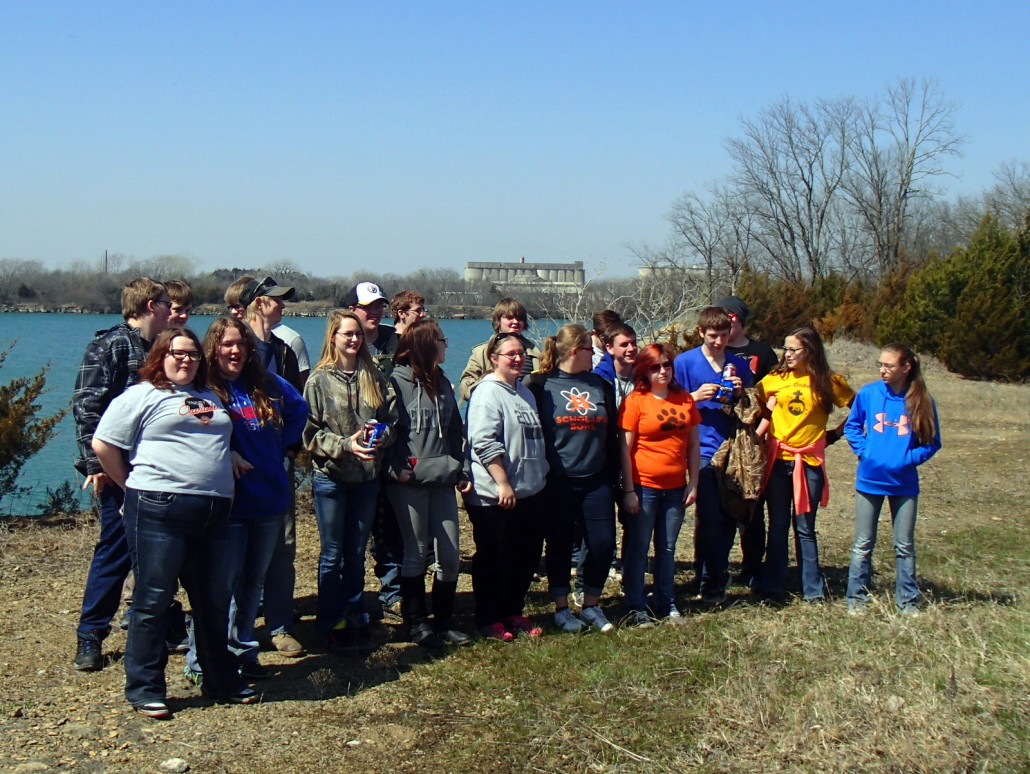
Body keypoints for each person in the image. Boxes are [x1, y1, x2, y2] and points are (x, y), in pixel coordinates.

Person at [91, 328, 256, 718]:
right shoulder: (143, 394)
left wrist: (228, 458)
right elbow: (104, 444)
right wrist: (130, 485)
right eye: (177, 353)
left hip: (213, 513)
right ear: (161, 356)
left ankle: (221, 679)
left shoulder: (210, 396)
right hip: (157, 509)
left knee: (213, 600)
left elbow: (215, 437)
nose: (185, 360)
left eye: (193, 355)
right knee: (154, 598)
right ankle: (145, 687)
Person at [182, 318, 307, 686]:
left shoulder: (266, 385)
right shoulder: (202, 389)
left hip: (269, 499)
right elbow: (190, 434)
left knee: (253, 583)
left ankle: (242, 650)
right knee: (220, 586)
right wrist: (227, 453)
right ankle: (201, 656)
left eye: (241, 344)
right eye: (226, 345)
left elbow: (299, 410)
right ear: (212, 349)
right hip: (228, 505)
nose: (234, 351)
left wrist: (283, 447)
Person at [71, 277, 172, 671]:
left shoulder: (161, 348)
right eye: (166, 303)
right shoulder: (111, 345)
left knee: (159, 553)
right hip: (120, 471)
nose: (172, 309)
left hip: (159, 470)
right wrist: (97, 466)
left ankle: (161, 625)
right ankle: (91, 634)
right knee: (115, 550)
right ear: (150, 305)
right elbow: (86, 406)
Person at [303, 310, 398, 647]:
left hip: (367, 479)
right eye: (347, 334)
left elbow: (392, 420)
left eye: (357, 334)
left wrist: (382, 436)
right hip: (331, 477)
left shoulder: (374, 376)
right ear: (333, 337)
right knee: (332, 553)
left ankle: (355, 613)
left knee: (356, 552)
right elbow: (309, 434)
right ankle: (330, 620)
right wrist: (345, 445)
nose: (354, 339)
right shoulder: (318, 380)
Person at [385, 319, 472, 648]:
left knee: (450, 555)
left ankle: (445, 622)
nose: (445, 345)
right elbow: (384, 431)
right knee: (415, 552)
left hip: (442, 479)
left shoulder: (444, 382)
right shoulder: (395, 382)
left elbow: (454, 431)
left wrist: (459, 468)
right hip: (409, 482)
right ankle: (417, 623)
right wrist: (397, 469)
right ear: (424, 344)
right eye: (440, 339)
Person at [232, 275, 307, 658]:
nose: (282, 306)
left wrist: (290, 450)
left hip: (276, 465)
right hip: (235, 469)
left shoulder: (284, 349)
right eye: (276, 300)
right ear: (258, 304)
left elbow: (297, 404)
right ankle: (234, 632)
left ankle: (279, 625)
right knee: (235, 550)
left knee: (282, 545)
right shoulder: (231, 348)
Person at [527, 324, 618, 634]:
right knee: (560, 545)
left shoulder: (600, 384)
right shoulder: (540, 385)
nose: (595, 355)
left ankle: (591, 603)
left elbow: (613, 433)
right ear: (576, 351)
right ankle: (562, 607)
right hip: (559, 479)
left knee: (603, 544)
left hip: (597, 478)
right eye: (591, 349)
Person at [754, 326, 855, 604]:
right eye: (785, 348)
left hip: (808, 463)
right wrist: (763, 427)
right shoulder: (775, 378)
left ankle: (812, 588)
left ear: (809, 350)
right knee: (778, 525)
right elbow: (755, 403)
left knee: (805, 527)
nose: (787, 354)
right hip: (778, 462)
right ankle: (773, 585)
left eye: (793, 349)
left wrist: (834, 435)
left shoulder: (829, 381)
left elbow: (858, 408)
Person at [464, 332, 550, 640]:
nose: (518, 358)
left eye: (521, 353)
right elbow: (483, 441)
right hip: (496, 495)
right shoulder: (487, 392)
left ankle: (513, 611)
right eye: (510, 354)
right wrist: (502, 482)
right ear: (494, 359)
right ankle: (489, 618)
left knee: (524, 556)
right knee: (494, 557)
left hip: (530, 491)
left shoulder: (524, 392)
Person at [844, 344, 941, 615]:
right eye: (880, 365)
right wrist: (866, 452)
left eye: (889, 366)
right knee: (863, 543)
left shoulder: (920, 399)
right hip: (869, 480)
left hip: (904, 484)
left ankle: (908, 601)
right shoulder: (869, 393)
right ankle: (856, 599)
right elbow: (852, 426)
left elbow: (932, 442)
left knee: (904, 545)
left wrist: (907, 459)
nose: (883, 370)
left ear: (906, 367)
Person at [672, 307, 751, 603]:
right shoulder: (685, 363)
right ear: (702, 333)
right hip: (700, 449)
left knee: (727, 515)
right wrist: (694, 397)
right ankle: (705, 577)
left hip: (731, 448)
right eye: (713, 335)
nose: (718, 341)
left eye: (724, 335)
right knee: (708, 518)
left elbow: (752, 406)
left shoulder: (737, 365)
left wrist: (743, 393)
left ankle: (714, 577)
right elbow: (669, 403)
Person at [619, 343, 701, 627]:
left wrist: (694, 483)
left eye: (667, 365)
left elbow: (692, 444)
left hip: (676, 487)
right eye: (656, 367)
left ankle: (665, 601)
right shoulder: (635, 401)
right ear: (644, 370)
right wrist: (628, 490)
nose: (663, 371)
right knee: (639, 547)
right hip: (644, 487)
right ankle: (635, 603)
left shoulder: (684, 399)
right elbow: (625, 449)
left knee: (667, 548)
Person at [345, 280, 405, 622]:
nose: (375, 312)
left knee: (389, 528)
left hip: (387, 449)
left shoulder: (394, 342)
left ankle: (392, 593)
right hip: (350, 456)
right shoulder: (343, 344)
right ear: (352, 310)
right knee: (350, 537)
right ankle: (346, 603)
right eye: (368, 307)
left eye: (379, 306)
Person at [717, 295, 779, 586]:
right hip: (719, 439)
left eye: (730, 318)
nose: (725, 325)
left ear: (740, 320)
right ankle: (714, 569)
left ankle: (753, 568)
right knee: (718, 508)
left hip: (753, 438)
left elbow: (774, 399)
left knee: (752, 508)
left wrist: (760, 432)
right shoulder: (711, 351)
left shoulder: (762, 353)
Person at [458, 298, 541, 402]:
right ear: (498, 321)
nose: (515, 322)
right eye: (510, 318)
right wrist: (487, 393)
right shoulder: (481, 352)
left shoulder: (536, 354)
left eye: (519, 318)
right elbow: (465, 384)